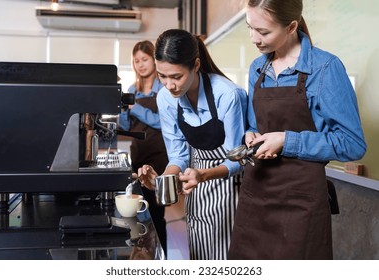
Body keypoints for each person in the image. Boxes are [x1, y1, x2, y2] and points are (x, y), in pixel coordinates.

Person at [228, 0, 367, 260]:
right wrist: (250, 135)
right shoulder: (257, 68)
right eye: (250, 28)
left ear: (291, 26)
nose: (253, 39)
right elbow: (254, 125)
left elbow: (353, 143)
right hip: (256, 196)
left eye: (264, 32)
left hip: (300, 204)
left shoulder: (325, 68)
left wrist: (286, 141)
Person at [137, 29, 248, 260]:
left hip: (229, 186)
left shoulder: (228, 95)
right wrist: (163, 179)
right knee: (198, 253)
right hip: (195, 187)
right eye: (162, 76)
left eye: (176, 77)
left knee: (226, 256)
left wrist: (203, 175)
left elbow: (238, 159)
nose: (169, 85)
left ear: (196, 65)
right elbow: (178, 155)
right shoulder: (166, 98)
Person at [118, 40, 169, 255]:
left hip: (159, 156)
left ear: (155, 60)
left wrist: (135, 107)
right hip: (138, 154)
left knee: (157, 212)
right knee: (139, 213)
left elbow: (161, 122)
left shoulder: (164, 89)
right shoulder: (132, 89)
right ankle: (142, 255)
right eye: (136, 61)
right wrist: (121, 106)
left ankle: (161, 254)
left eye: (144, 60)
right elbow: (126, 126)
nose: (140, 64)